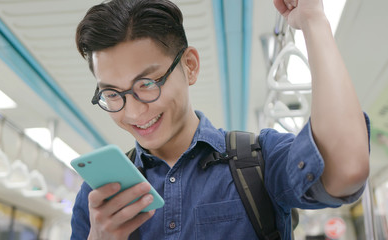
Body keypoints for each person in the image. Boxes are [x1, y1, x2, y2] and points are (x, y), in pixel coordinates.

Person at [71, 0, 370, 239]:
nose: (134, 112)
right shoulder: (99, 199)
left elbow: (346, 169)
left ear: (189, 66)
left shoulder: (258, 162)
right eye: (112, 94)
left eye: (147, 84)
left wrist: (313, 20)